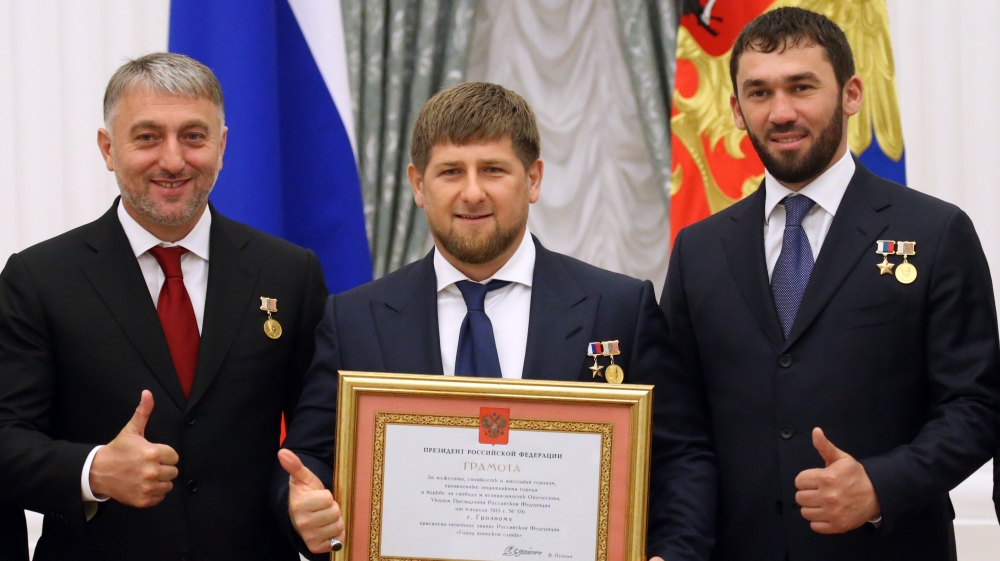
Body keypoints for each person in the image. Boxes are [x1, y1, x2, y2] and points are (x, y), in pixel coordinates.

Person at [270, 82, 716, 561]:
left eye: (493, 170)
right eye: (450, 172)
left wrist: (674, 554)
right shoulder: (355, 319)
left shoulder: (619, 307)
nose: (472, 192)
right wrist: (301, 509)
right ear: (418, 185)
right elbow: (308, 458)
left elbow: (681, 458)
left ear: (533, 179)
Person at [660, 7, 1000, 560]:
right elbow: (679, 427)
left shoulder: (935, 232)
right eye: (760, 93)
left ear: (851, 94)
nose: (782, 112)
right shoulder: (698, 251)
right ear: (736, 110)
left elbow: (977, 405)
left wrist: (881, 486)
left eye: (802, 87)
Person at [0, 53, 328, 560]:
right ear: (108, 149)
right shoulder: (39, 278)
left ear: (222, 146)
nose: (173, 161)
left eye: (193, 136)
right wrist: (94, 471)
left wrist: (304, 503)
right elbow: (6, 437)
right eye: (147, 137)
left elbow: (320, 431)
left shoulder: (289, 273)